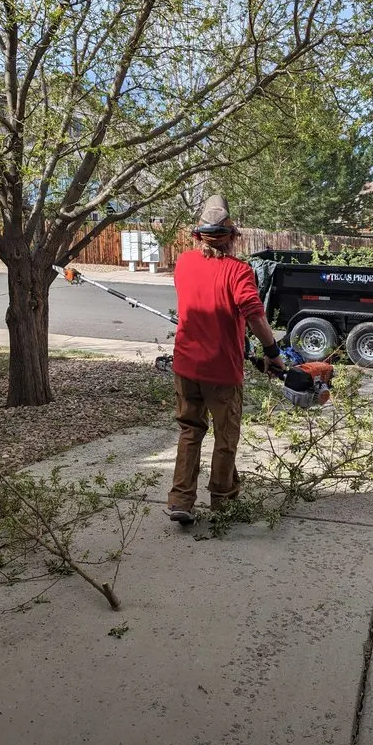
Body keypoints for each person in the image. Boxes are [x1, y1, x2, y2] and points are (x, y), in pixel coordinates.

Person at [166, 195, 285, 524]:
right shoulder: (239, 271)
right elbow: (255, 315)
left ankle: (181, 499)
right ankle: (223, 500)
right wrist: (273, 353)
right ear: (232, 238)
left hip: (186, 367)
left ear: (197, 236)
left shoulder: (184, 263)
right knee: (225, 436)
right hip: (221, 370)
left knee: (190, 430)